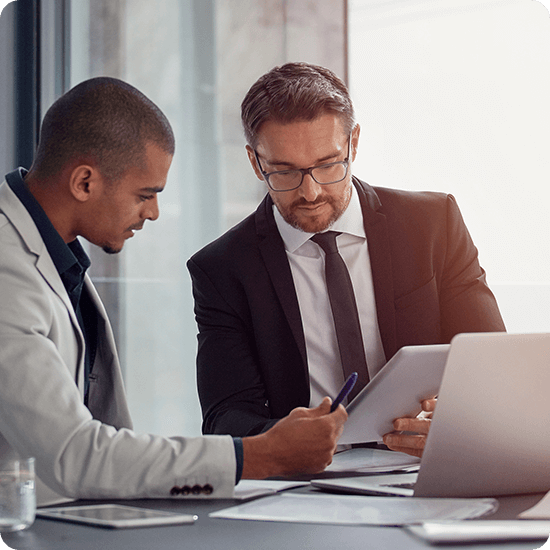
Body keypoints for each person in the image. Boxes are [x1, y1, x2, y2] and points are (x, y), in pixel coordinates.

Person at [0, 77, 347, 507]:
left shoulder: (54, 254)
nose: (154, 213)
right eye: (145, 195)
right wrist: (258, 456)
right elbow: (75, 455)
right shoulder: (7, 271)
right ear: (85, 183)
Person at [187, 62, 506, 458]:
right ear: (256, 163)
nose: (310, 192)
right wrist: (284, 440)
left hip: (429, 464)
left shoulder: (432, 224)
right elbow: (225, 416)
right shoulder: (221, 269)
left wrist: (457, 420)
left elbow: (494, 367)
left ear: (353, 143)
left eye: (327, 164)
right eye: (284, 172)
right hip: (308, 481)